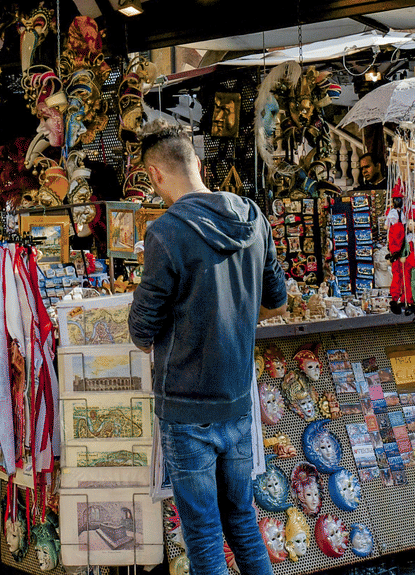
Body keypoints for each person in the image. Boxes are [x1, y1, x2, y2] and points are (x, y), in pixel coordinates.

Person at [128, 123, 287, 575]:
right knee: (242, 522)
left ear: (156, 176)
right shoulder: (254, 217)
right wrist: (230, 317)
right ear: (198, 164)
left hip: (186, 408)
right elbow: (276, 303)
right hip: (237, 401)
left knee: (203, 534)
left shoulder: (165, 233)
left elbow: (142, 329)